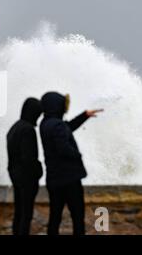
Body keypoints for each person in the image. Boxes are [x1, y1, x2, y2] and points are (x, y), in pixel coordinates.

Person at [40, 92, 103, 235]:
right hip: (69, 179)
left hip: (54, 179)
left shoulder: (46, 123)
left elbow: (67, 127)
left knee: (55, 217)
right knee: (77, 216)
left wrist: (84, 116)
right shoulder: (57, 125)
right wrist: (77, 154)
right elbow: (63, 148)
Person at [7, 97, 43, 235]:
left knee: (19, 214)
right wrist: (39, 170)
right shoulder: (28, 130)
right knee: (25, 215)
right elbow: (29, 159)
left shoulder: (14, 128)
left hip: (16, 177)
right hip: (26, 180)